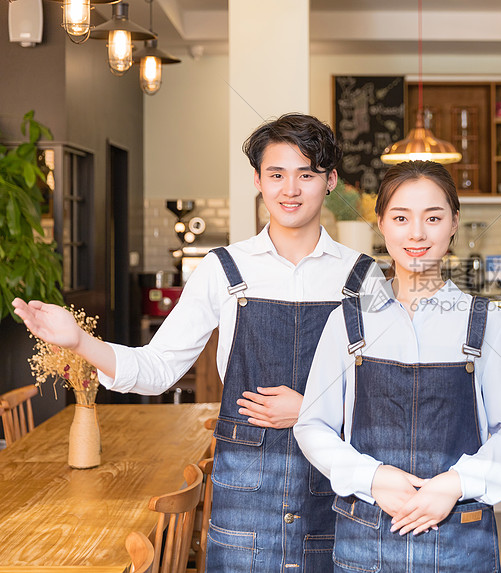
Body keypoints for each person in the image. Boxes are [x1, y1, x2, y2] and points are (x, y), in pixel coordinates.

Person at [12, 113, 383, 572]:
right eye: (277, 174)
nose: (290, 189)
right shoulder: (223, 269)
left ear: (329, 182)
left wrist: (310, 409)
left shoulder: (362, 276)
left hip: (336, 486)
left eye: (306, 174)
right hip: (244, 489)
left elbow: (386, 396)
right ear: (258, 180)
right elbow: (158, 368)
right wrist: (80, 342)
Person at [294, 160, 501, 572]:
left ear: (454, 223)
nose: (417, 233)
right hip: (365, 541)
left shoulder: (486, 321)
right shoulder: (349, 319)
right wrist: (373, 477)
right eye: (401, 217)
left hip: (461, 541)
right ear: (381, 224)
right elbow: (312, 425)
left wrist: (453, 485)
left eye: (434, 217)